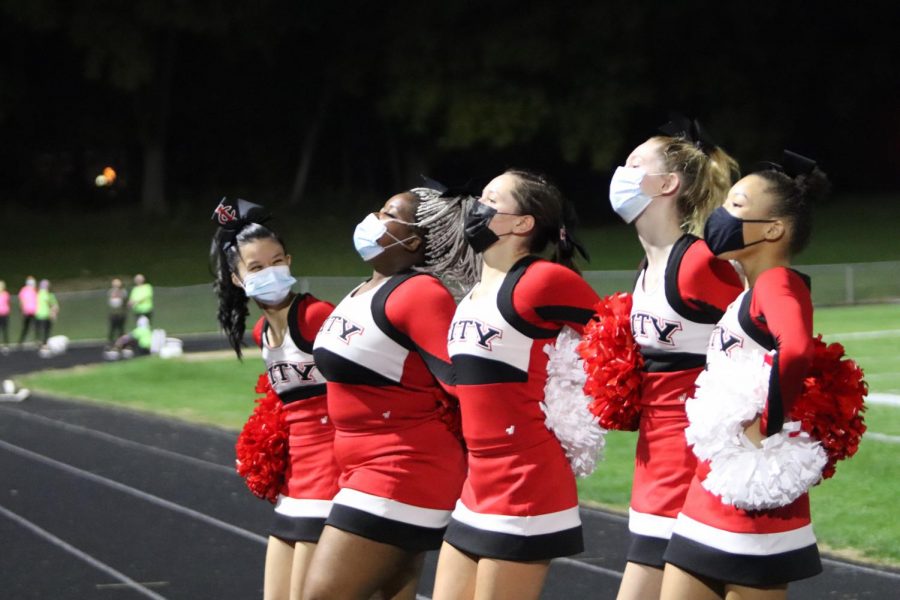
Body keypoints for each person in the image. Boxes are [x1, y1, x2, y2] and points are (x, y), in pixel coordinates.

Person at [661, 152, 830, 600]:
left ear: (773, 229)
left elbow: (795, 349)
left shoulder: (778, 283)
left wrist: (765, 430)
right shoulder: (751, 289)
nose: (720, 216)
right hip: (714, 488)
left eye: (736, 206)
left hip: (750, 494)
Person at [432, 169, 600, 600]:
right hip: (477, 483)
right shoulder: (473, 293)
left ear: (523, 223)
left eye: (490, 199)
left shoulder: (544, 280)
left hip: (526, 478)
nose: (475, 207)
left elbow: (616, 337)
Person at [306, 186, 476, 600]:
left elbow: (462, 382)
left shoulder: (420, 293)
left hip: (403, 468)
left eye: (387, 213)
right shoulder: (362, 289)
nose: (372, 218)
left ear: (413, 241)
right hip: (363, 468)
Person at [605, 117, 744, 600]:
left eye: (634, 164)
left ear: (667, 184)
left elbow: (766, 334)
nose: (620, 172)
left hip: (693, 470)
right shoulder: (649, 265)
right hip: (654, 464)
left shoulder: (700, 262)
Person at [210, 197, 340, 600]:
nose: (271, 272)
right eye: (257, 268)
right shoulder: (261, 337)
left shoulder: (317, 317)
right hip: (294, 486)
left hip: (333, 483)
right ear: (237, 279)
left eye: (277, 261)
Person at [34, 279, 60, 348]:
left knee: (38, 330)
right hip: (46, 315)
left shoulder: (37, 294)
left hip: (38, 315)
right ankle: (44, 344)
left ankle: (38, 342)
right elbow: (55, 306)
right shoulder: (49, 295)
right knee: (46, 331)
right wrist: (54, 314)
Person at [17, 276, 38, 345]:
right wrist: (21, 309)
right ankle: (21, 341)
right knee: (26, 327)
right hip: (27, 311)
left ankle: (36, 340)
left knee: (34, 326)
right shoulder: (25, 290)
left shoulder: (34, 290)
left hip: (34, 311)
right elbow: (22, 300)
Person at [107, 278, 128, 343]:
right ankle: (110, 343)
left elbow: (124, 301)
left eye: (117, 284)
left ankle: (122, 343)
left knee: (121, 329)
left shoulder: (123, 291)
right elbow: (111, 302)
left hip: (121, 314)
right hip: (113, 314)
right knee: (112, 329)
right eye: (115, 284)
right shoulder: (110, 292)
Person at [0, 280, 9, 349]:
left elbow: (7, 303)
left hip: (4, 314)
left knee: (4, 329)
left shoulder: (6, 294)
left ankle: (5, 344)